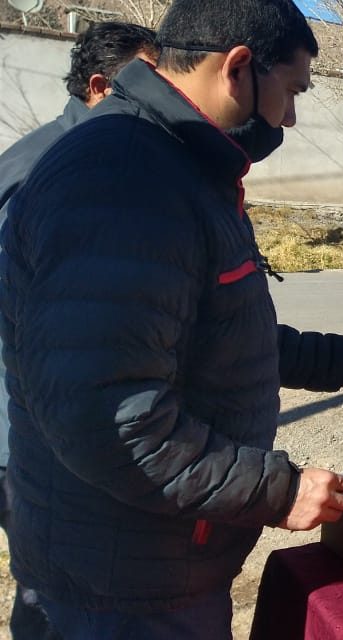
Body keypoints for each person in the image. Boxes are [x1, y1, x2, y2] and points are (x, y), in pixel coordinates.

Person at [0, 2, 343, 637]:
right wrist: (278, 490)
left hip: (156, 563)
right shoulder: (128, 179)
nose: (290, 118)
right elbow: (112, 423)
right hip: (125, 585)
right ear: (238, 68)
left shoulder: (178, 164)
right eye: (291, 92)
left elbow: (212, 335)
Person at [0, 22, 159, 640]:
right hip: (34, 437)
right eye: (148, 86)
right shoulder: (60, 174)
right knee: (61, 597)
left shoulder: (57, 153)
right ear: (99, 88)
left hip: (32, 427)